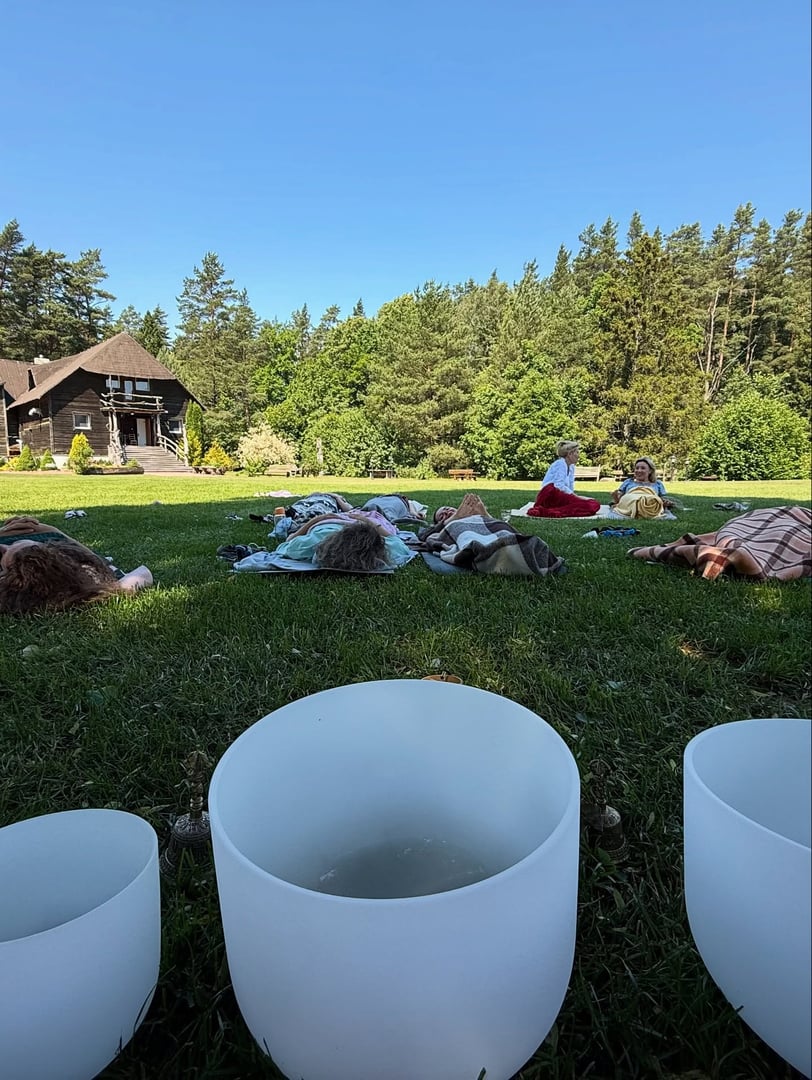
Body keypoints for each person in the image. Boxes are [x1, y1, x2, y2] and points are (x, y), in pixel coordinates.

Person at [0, 516, 153, 614]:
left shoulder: (14, 579)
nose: (3, 547)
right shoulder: (88, 572)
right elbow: (142, 575)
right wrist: (49, 530)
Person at [627, 505, 811, 581]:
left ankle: (741, 553)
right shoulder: (629, 483)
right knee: (735, 534)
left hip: (795, 519)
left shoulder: (656, 484)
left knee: (785, 530)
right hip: (757, 522)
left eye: (642, 467)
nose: (638, 470)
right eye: (637, 468)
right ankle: (735, 550)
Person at [419, 493, 565, 576]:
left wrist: (486, 515)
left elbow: (507, 529)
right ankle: (506, 555)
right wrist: (453, 519)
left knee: (508, 537)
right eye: (442, 516)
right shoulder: (447, 526)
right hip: (465, 534)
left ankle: (515, 552)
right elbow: (426, 538)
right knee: (484, 546)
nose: (446, 512)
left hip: (493, 530)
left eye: (447, 509)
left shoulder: (481, 519)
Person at [273, 508, 414, 570]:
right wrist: (368, 522)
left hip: (328, 522)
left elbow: (287, 542)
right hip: (354, 522)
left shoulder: (312, 543)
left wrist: (317, 519)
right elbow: (394, 539)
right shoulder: (390, 550)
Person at [527, 441, 601, 518]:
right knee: (591, 505)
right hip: (550, 495)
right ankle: (549, 511)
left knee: (593, 504)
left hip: (560, 495)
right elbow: (558, 485)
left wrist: (575, 498)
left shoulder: (571, 466)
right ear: (570, 454)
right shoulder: (560, 464)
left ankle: (556, 510)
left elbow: (570, 486)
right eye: (577, 452)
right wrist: (577, 497)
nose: (579, 455)